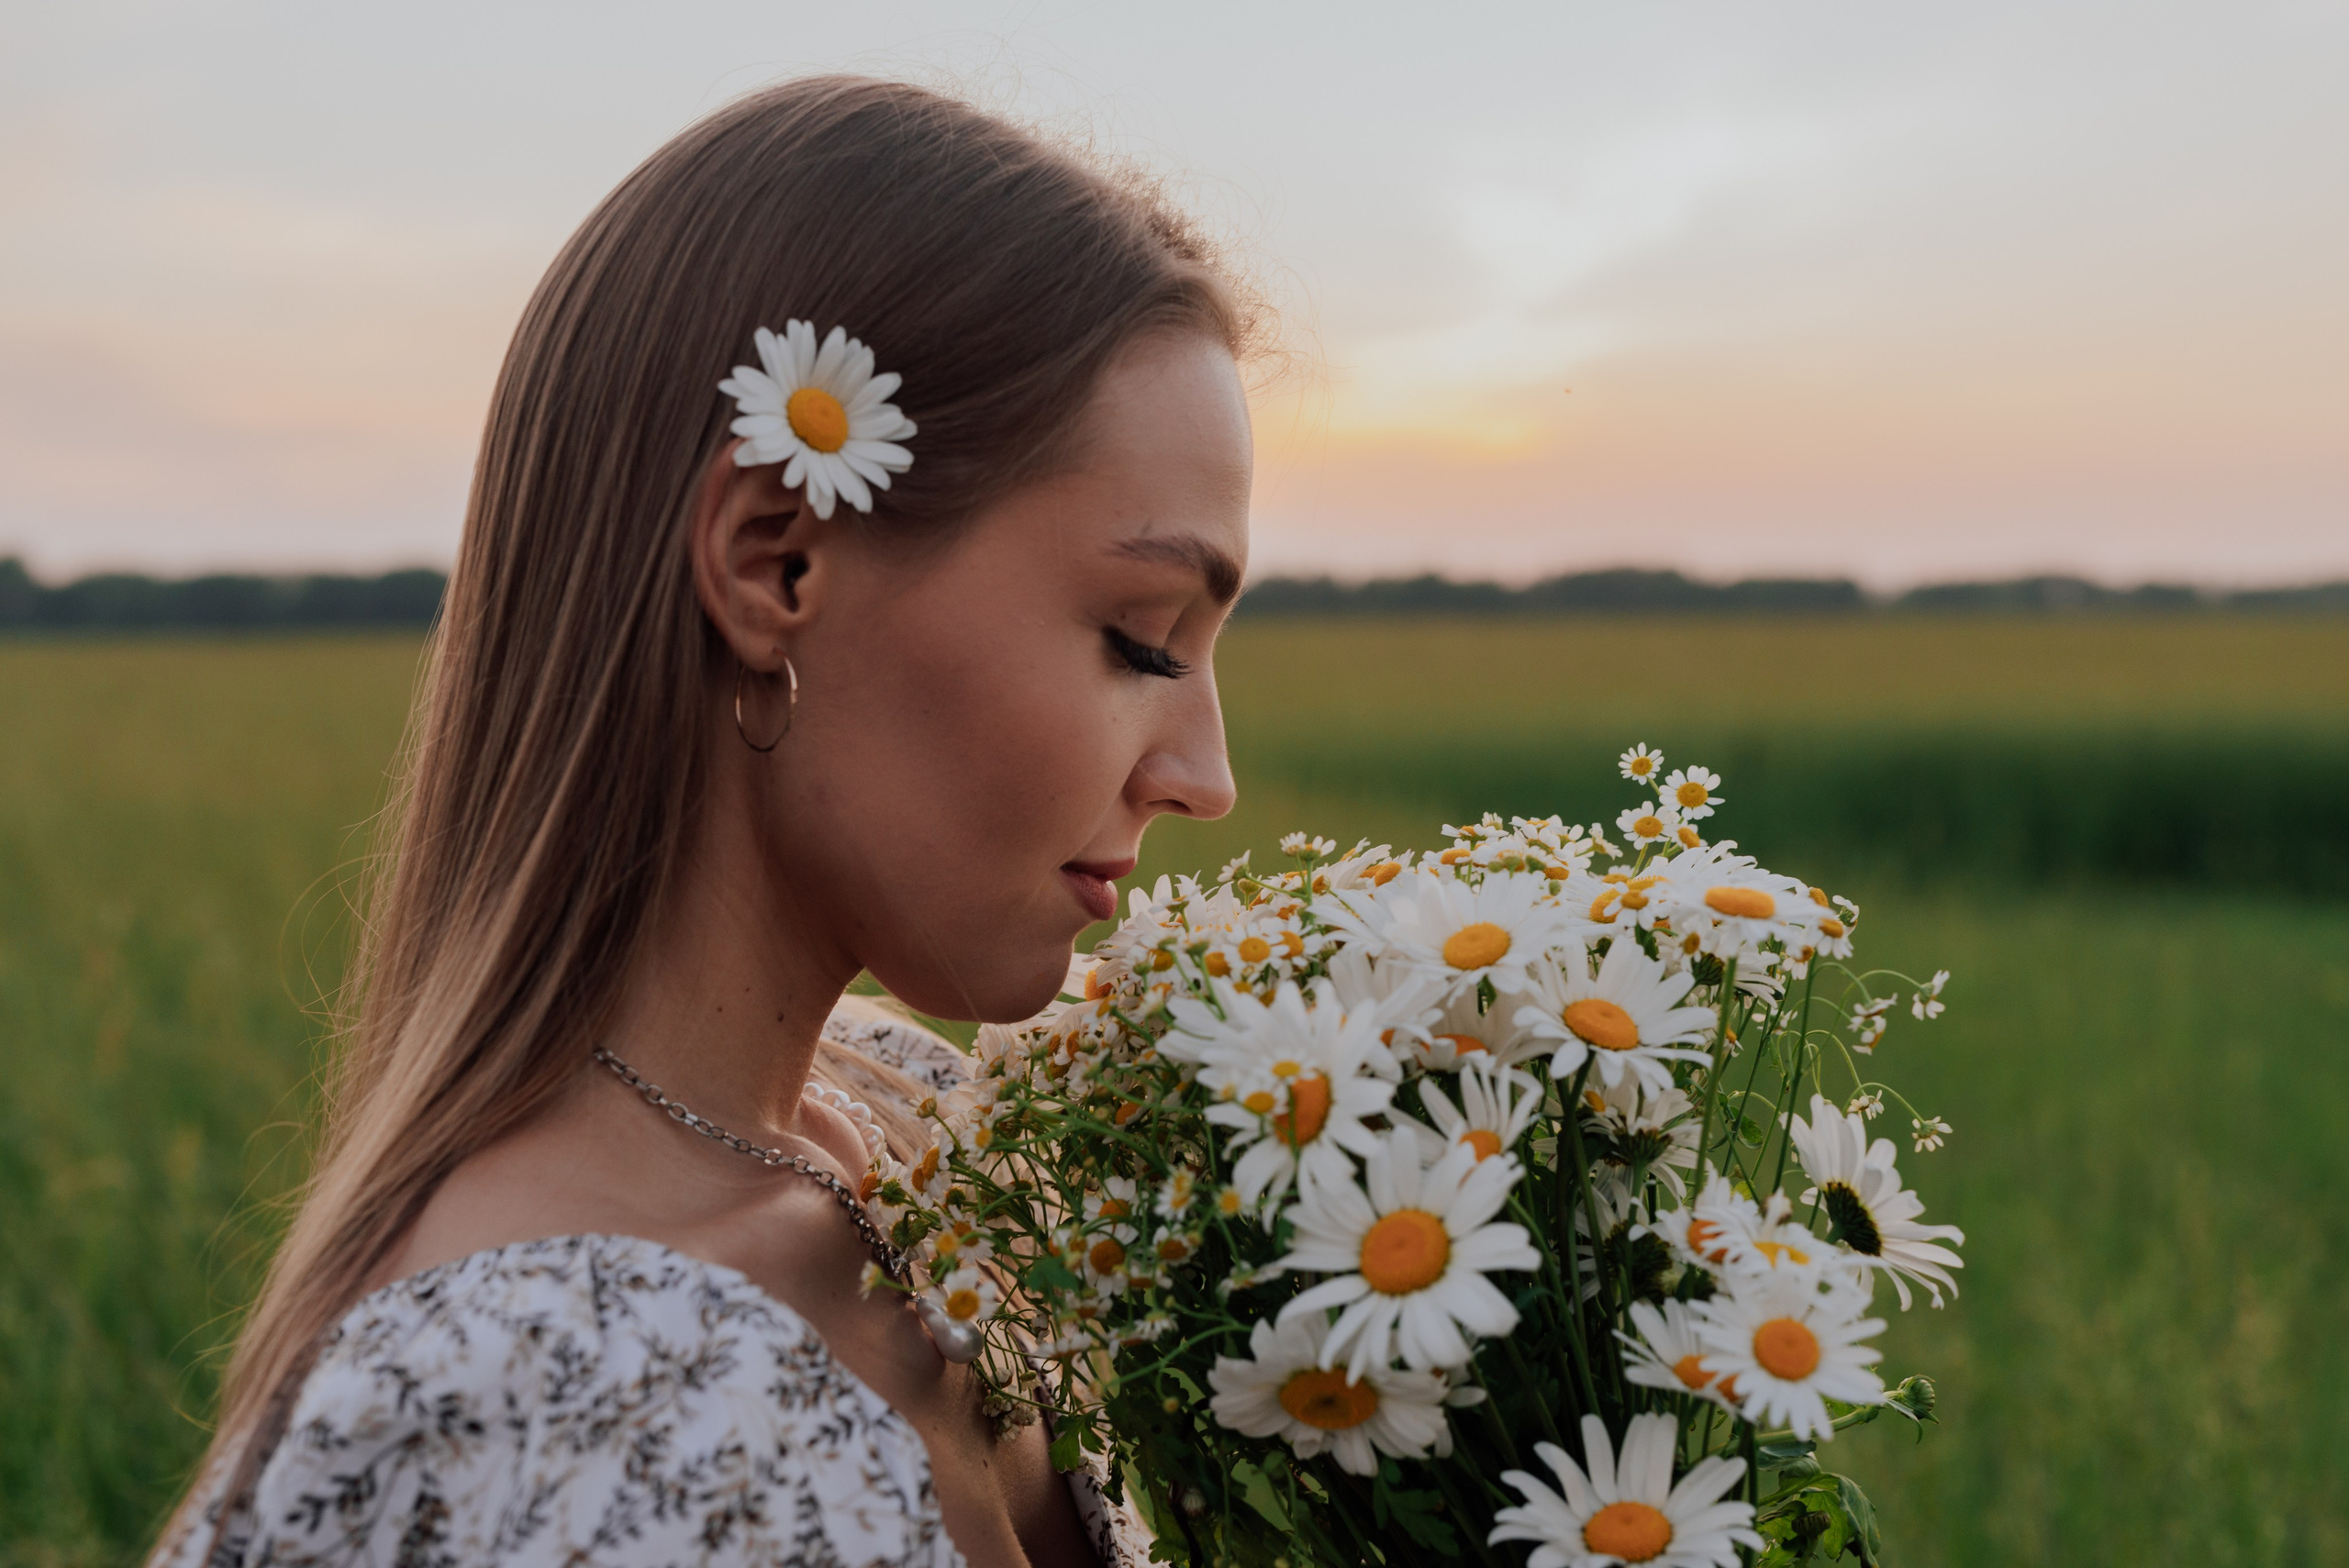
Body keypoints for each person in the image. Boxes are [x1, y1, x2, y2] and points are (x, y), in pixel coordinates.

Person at [151, 74, 1257, 1568]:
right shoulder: (542, 1406)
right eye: (1140, 637)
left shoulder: (925, 1131)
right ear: (775, 563)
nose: (1204, 769)